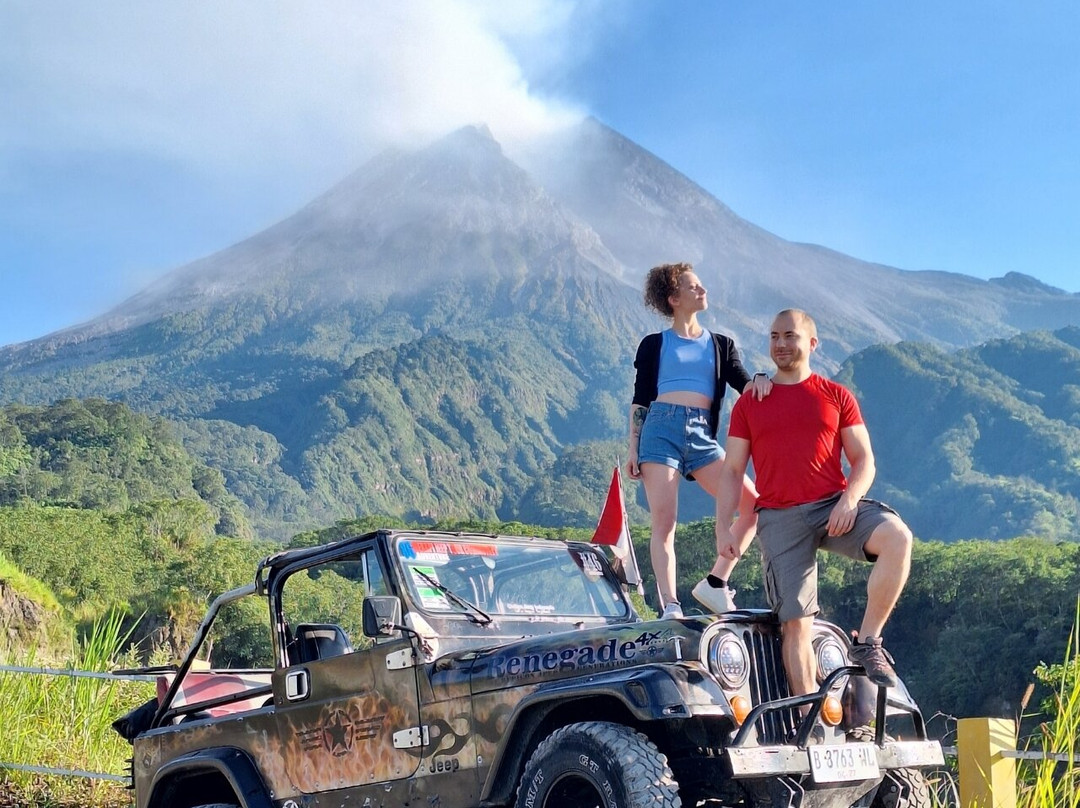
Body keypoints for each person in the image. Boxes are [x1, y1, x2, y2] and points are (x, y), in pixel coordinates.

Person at [714, 308, 913, 694]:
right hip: (779, 517)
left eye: (790, 336)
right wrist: (724, 525)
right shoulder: (751, 402)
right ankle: (809, 720)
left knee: (898, 538)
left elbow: (864, 460)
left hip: (833, 506)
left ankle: (868, 642)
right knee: (796, 622)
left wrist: (849, 500)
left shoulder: (836, 396)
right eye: (774, 336)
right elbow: (732, 470)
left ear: (812, 343)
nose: (781, 344)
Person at [627, 262, 770, 620]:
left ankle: (716, 581)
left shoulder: (722, 345)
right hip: (660, 428)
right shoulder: (655, 344)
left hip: (702, 434)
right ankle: (670, 606)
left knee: (754, 504)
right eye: (693, 287)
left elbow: (744, 383)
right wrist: (633, 448)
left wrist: (762, 378)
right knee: (665, 521)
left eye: (701, 285)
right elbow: (641, 400)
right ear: (674, 299)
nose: (703, 291)